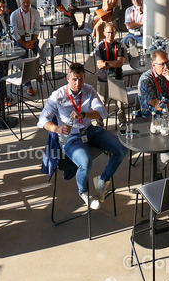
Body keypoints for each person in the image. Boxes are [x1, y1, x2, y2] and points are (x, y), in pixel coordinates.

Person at [39, 63, 124, 210]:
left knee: (121, 149)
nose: (77, 83)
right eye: (74, 79)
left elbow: (102, 112)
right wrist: (56, 129)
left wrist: (84, 114)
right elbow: (42, 120)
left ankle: (102, 181)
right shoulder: (58, 96)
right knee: (86, 163)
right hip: (71, 137)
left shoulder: (88, 90)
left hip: (88, 130)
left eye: (81, 79)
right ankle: (83, 192)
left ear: (84, 77)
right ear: (68, 78)